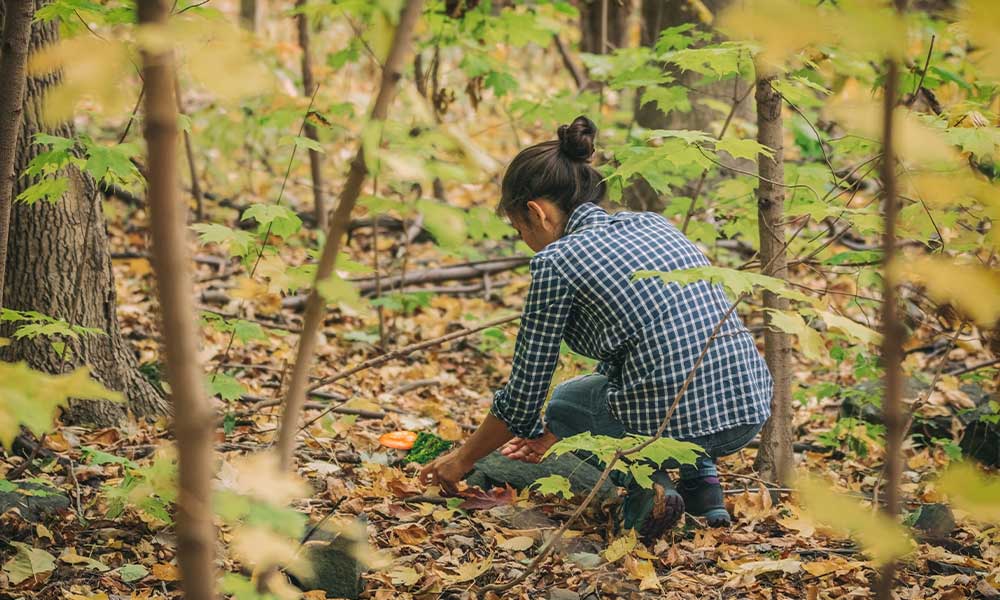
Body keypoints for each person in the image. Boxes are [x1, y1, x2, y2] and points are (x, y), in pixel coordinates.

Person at [419, 115, 773, 542]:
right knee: (663, 373)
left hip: (679, 419)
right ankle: (703, 490)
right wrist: (546, 438)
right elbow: (643, 349)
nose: (524, 239)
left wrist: (461, 460)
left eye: (519, 230)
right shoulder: (651, 224)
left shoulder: (556, 261)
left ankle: (650, 492)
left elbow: (525, 396)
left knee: (567, 403)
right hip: (749, 406)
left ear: (537, 212)